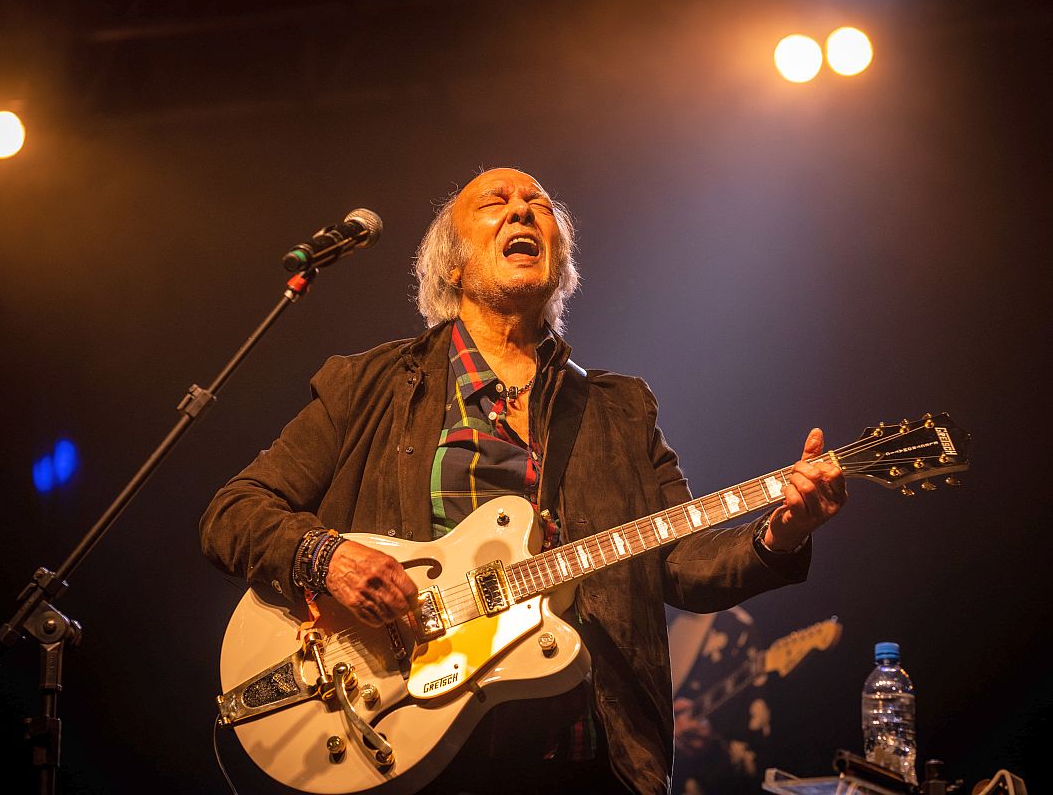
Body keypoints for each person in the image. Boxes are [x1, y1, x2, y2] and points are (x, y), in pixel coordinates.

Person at [200, 167, 847, 795]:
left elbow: (680, 564)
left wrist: (782, 532)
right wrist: (328, 558)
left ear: (560, 262)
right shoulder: (368, 385)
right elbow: (235, 511)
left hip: (583, 758)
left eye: (538, 203)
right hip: (408, 742)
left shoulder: (619, 409)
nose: (522, 210)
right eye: (496, 202)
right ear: (452, 267)